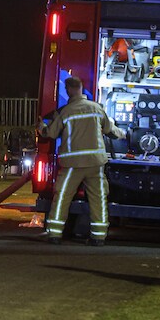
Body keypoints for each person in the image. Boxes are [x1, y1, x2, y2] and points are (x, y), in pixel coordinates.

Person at [40, 75, 126, 246]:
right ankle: (98, 237)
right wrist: (124, 134)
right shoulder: (96, 108)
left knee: (63, 197)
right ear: (81, 89)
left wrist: (41, 128)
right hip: (95, 164)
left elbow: (50, 133)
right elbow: (111, 130)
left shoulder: (66, 111)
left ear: (69, 90)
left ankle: (55, 235)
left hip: (73, 164)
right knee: (98, 198)